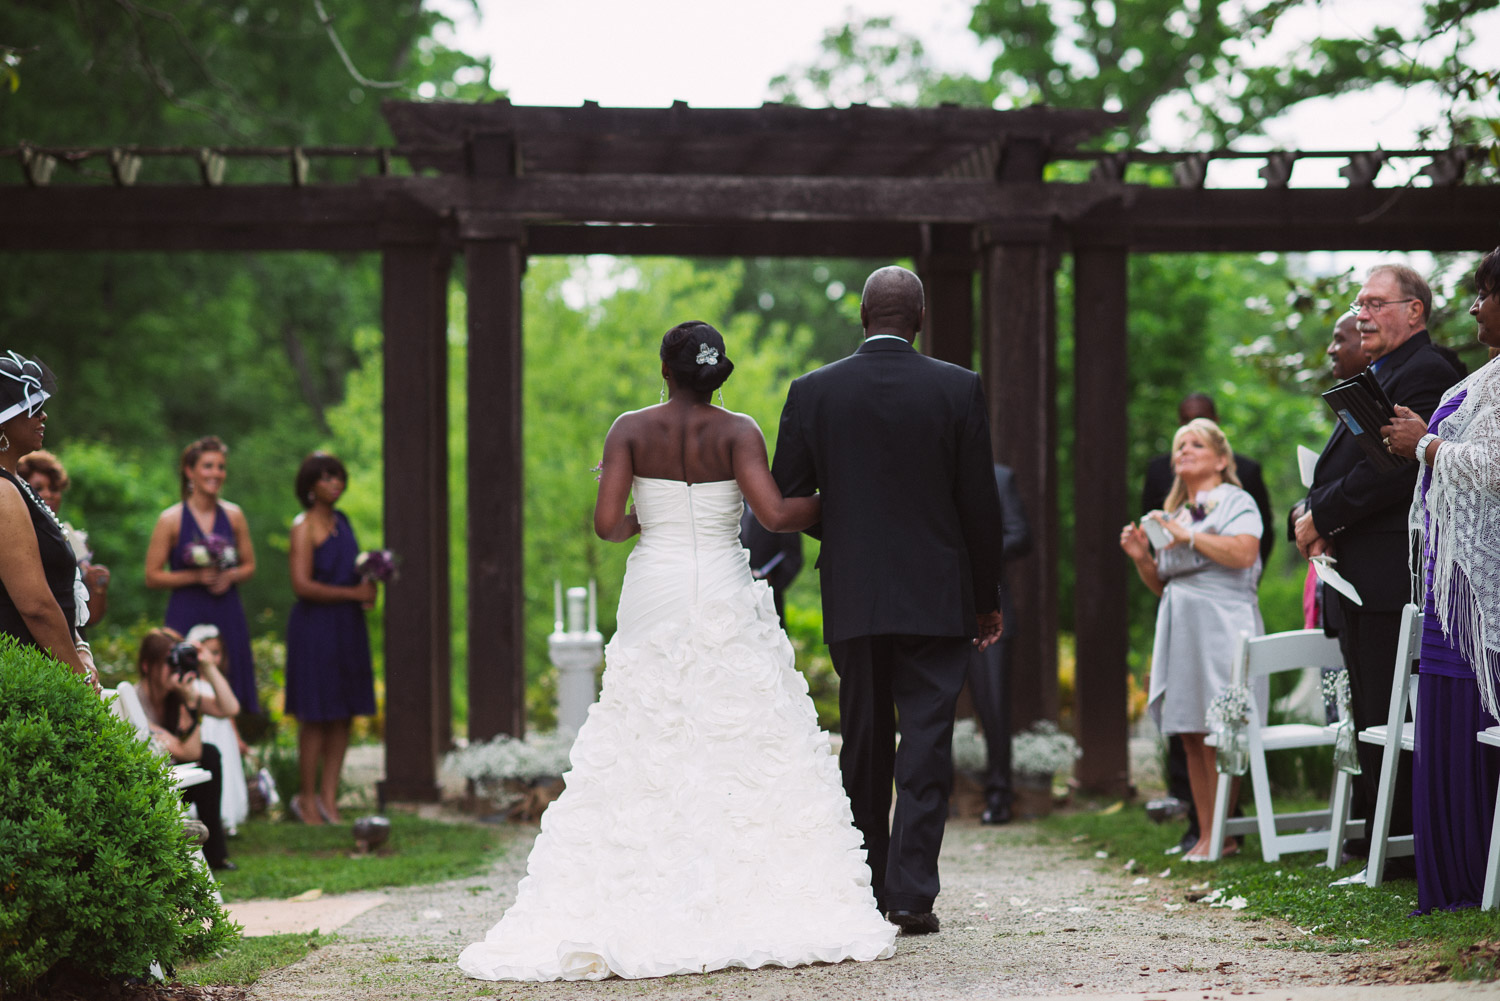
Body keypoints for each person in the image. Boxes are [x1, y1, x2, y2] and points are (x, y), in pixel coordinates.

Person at [459, 321, 896, 982]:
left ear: (666, 368)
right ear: (716, 371)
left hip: (657, 583)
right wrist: (842, 499)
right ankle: (747, 881)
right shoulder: (739, 430)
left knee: (645, 720)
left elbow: (607, 525)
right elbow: (776, 515)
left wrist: (648, 517)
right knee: (741, 721)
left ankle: (641, 874)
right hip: (721, 580)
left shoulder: (629, 429)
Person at [772, 265, 1006, 936]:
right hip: (937, 593)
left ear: (863, 317)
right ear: (921, 318)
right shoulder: (958, 387)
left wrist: (847, 528)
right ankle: (912, 893)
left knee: (865, 740)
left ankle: (865, 883)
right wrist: (984, 597)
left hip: (855, 588)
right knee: (928, 740)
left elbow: (791, 496)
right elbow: (978, 505)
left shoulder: (813, 391)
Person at [1293, 264, 1458, 879]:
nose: (1361, 313)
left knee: (1394, 712)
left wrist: (1322, 513)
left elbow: (1394, 469)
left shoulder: (1429, 372)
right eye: (1359, 303)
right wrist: (1310, 512)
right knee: (1370, 708)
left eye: (1375, 302)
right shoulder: (1378, 373)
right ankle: (1379, 834)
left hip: (1393, 573)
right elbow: (1353, 464)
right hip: (1361, 569)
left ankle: (1406, 841)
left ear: (1414, 311)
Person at [1380, 248, 1500, 911]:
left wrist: (1424, 444)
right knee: (1445, 721)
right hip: (1449, 575)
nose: (1477, 306)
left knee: (1468, 720)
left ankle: (1472, 876)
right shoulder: (1487, 373)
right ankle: (1455, 876)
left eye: (1486, 293)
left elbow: (1494, 466)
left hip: (1482, 586)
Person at [1120, 418, 1264, 862]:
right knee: (1190, 733)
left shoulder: (1236, 500)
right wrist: (1143, 558)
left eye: (1195, 444)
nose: (1183, 450)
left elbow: (1244, 553)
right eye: (1179, 444)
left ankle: (1223, 833)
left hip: (1223, 624)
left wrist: (1189, 536)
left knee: (1220, 731)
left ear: (1222, 459)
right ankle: (1207, 835)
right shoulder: (1175, 513)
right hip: (1181, 627)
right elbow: (1167, 585)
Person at [284, 452, 377, 825]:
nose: (334, 483)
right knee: (316, 714)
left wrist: (368, 588)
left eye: (338, 476)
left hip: (348, 627)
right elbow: (301, 584)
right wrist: (352, 595)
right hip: (316, 629)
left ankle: (329, 798)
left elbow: (351, 573)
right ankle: (306, 799)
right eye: (325, 478)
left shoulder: (344, 522)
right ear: (309, 486)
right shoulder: (303, 527)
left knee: (344, 713)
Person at [145, 436, 259, 728]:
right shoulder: (170, 519)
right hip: (186, 610)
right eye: (208, 466)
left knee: (228, 681)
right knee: (184, 683)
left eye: (221, 467)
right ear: (189, 470)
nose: (216, 473)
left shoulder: (234, 516)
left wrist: (230, 575)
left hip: (227, 609)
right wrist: (195, 576)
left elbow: (250, 566)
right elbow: (153, 576)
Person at [0, 352, 95, 687]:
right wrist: (78, 677)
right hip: (25, 680)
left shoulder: (18, 484)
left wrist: (81, 648)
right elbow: (35, 604)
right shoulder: (1, 491)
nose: (43, 416)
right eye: (32, 409)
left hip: (49, 667)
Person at [132, 627, 236, 870]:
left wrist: (208, 667)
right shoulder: (134, 701)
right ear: (147, 666)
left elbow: (229, 708)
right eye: (170, 662)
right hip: (149, 787)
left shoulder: (176, 694)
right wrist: (190, 703)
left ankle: (215, 854)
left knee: (210, 754)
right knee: (206, 754)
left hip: (176, 780)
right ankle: (211, 852)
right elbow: (188, 753)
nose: (176, 668)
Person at [967, 463, 1031, 826]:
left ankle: (999, 794)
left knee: (993, 706)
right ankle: (937, 794)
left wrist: (975, 549)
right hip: (934, 607)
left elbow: (1022, 535)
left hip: (989, 607)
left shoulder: (1000, 477)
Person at [18, 449, 111, 626]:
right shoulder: (17, 536)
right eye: (38, 488)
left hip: (73, 638)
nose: (48, 494)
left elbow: (89, 619)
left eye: (54, 489)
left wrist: (98, 589)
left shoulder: (72, 539)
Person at [185, 624, 249, 835]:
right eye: (207, 652)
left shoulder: (217, 681)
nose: (211, 658)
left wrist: (238, 738)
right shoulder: (187, 682)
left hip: (222, 734)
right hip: (204, 733)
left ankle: (226, 818)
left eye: (216, 653)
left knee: (227, 770)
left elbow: (229, 713)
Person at [738, 501, 803, 627]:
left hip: (770, 599)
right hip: (734, 597)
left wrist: (772, 583)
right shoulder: (729, 507)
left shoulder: (777, 509)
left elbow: (793, 556)